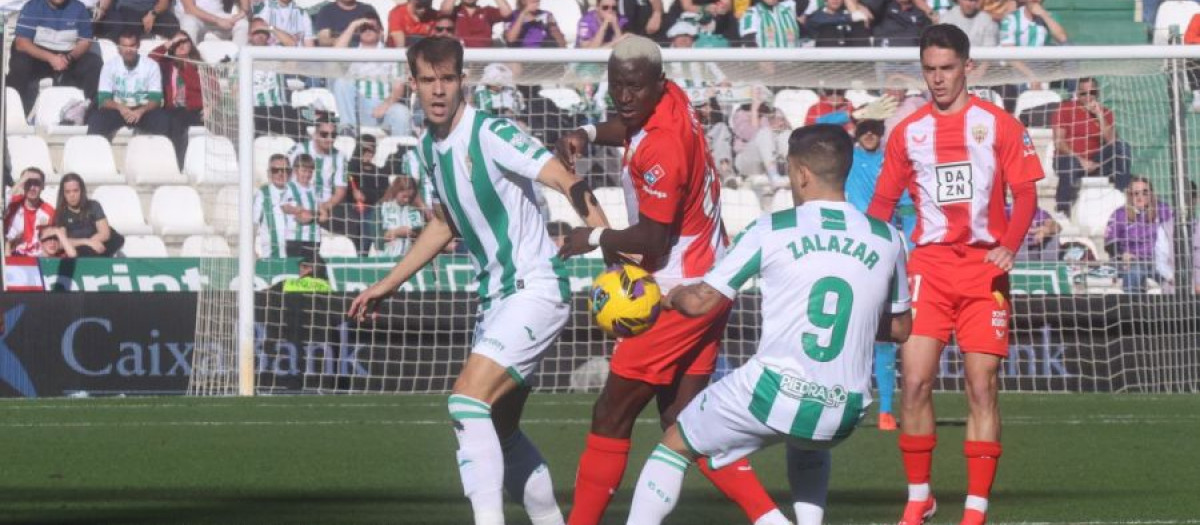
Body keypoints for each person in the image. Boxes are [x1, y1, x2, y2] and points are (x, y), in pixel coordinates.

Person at [347, 37, 611, 525]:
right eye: (428, 80)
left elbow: (568, 182)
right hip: (494, 300)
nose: (438, 90)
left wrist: (611, 250)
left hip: (535, 288)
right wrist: (389, 282)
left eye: (447, 78)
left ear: (461, 80)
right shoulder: (428, 145)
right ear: (414, 84)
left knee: (466, 401)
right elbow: (446, 221)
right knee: (499, 428)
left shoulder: (491, 132)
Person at [622, 124, 912, 525]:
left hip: (774, 393)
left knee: (674, 444)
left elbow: (703, 302)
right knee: (808, 442)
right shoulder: (888, 238)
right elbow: (899, 330)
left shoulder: (770, 229)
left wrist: (666, 295)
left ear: (801, 174)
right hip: (845, 408)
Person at [554, 36, 789, 525]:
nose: (624, 97)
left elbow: (655, 242)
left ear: (656, 84)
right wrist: (588, 131)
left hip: (678, 292)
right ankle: (770, 519)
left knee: (610, 415)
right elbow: (628, 124)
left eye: (634, 87)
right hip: (712, 282)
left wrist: (593, 237)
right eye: (616, 85)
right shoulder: (672, 99)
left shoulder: (661, 146)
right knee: (686, 424)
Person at [867, 24, 1044, 525]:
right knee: (916, 382)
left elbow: (1026, 193)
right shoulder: (909, 131)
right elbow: (882, 203)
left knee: (981, 386)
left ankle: (975, 508)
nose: (938, 79)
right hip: (929, 268)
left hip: (984, 271)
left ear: (968, 67)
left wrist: (1009, 246)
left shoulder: (999, 125)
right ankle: (918, 497)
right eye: (930, 70)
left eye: (947, 69)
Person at [844, 119, 913, 432]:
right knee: (850, 331)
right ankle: (845, 401)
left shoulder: (892, 161)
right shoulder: (848, 157)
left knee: (885, 332)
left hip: (882, 246)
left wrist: (909, 245)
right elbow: (817, 126)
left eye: (875, 130)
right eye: (864, 130)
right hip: (851, 247)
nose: (870, 135)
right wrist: (851, 115)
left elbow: (910, 208)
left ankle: (886, 408)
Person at [87, 31, 179, 167]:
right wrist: (120, 107)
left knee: (164, 121)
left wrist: (141, 111)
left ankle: (163, 164)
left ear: (138, 45)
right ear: (119, 48)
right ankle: (95, 163)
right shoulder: (109, 66)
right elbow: (103, 99)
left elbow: (155, 99)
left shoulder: (151, 66)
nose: (128, 50)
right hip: (118, 109)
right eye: (124, 46)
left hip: (143, 110)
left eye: (132, 45)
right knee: (96, 120)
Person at [6, 0, 103, 116]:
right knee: (20, 64)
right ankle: (12, 113)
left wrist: (69, 58)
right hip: (38, 58)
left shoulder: (79, 9)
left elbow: (85, 41)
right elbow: (21, 43)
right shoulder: (32, 7)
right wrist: (51, 58)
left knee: (94, 63)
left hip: (68, 58)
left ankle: (92, 113)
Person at [1051, 78, 1133, 213]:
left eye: (1092, 92)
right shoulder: (1065, 109)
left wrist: (1099, 116)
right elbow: (1059, 142)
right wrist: (1081, 160)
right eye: (1084, 93)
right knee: (1071, 163)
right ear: (1077, 94)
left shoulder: (1106, 112)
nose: (1088, 96)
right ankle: (1062, 210)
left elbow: (1113, 142)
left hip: (1096, 161)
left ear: (1098, 93)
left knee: (1122, 147)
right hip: (1069, 159)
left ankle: (1122, 200)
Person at [332, 16, 413, 137]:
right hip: (358, 108)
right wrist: (353, 25)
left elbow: (398, 87)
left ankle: (399, 153)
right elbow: (334, 55)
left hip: (384, 106)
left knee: (402, 113)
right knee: (342, 81)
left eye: (372, 27)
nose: (367, 30)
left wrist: (385, 105)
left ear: (381, 31)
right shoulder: (350, 54)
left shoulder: (391, 55)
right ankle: (348, 130)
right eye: (363, 28)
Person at [1104, 177, 1173, 294]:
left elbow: (1174, 233)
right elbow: (1110, 243)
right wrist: (1122, 255)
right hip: (1133, 261)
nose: (1140, 197)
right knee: (1134, 272)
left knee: (1178, 276)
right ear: (1130, 195)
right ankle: (1132, 308)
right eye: (1136, 193)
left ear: (1151, 194)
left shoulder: (1163, 209)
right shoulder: (1120, 214)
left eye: (1145, 192)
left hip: (1159, 261)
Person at [248, 18, 306, 141]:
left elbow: (292, 45)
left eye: (263, 32)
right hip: (255, 107)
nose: (260, 35)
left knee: (297, 120)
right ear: (249, 35)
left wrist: (270, 28)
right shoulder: (241, 55)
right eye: (256, 32)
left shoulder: (275, 51)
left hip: (279, 107)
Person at [287, 118, 348, 224]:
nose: (329, 139)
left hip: (326, 206)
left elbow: (340, 191)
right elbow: (286, 181)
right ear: (315, 134)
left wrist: (324, 207)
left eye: (333, 135)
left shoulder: (340, 156)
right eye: (324, 134)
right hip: (298, 202)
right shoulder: (298, 150)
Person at [55, 173, 125, 257]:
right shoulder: (61, 213)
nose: (72, 195)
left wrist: (92, 243)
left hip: (99, 246)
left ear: (82, 190)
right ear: (63, 194)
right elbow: (62, 242)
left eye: (75, 190)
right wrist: (87, 242)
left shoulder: (93, 206)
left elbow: (105, 233)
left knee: (115, 238)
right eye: (68, 192)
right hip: (80, 251)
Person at [345, 136, 390, 255]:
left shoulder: (380, 172)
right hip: (351, 208)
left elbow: (383, 194)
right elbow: (344, 189)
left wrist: (365, 196)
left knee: (369, 219)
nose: (367, 153)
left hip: (372, 208)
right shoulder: (351, 169)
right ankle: (359, 254)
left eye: (370, 150)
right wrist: (353, 192)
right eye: (363, 149)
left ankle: (364, 254)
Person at [4, 169, 56, 257]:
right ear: (23, 184)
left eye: (36, 184)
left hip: (36, 260)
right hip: (10, 257)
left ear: (43, 186)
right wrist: (20, 181)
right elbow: (2, 203)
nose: (32, 188)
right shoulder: (12, 203)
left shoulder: (49, 211)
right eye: (28, 183)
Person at [255, 154, 298, 258]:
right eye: (275, 170)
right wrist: (252, 250)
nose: (280, 173)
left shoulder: (297, 192)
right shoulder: (262, 194)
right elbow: (252, 225)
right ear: (269, 173)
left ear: (290, 173)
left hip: (297, 258)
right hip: (272, 259)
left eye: (284, 170)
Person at [374, 175, 425, 257]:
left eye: (410, 197)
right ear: (395, 191)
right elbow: (376, 237)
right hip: (384, 256)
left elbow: (421, 236)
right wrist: (397, 232)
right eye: (404, 196)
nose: (407, 200)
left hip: (409, 258)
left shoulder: (414, 210)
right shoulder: (381, 207)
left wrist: (413, 234)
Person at [286, 154, 325, 258]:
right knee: (294, 272)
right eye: (304, 171)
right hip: (294, 239)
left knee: (310, 272)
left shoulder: (316, 190)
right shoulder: (289, 188)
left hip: (314, 239)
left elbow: (324, 215)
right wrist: (315, 215)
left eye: (310, 172)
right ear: (295, 170)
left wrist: (312, 214)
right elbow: (301, 217)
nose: (307, 175)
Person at [94, 0, 181, 41]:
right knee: (130, 26)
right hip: (127, 8)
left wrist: (153, 14)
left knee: (171, 25)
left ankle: (171, 64)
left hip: (153, 10)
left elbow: (164, 3)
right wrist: (102, 9)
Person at [438, 0, 511, 47]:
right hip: (461, 57)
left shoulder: (487, 11)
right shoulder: (455, 11)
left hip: (483, 59)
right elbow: (445, 10)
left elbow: (507, 13)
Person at [175, 0, 249, 44]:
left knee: (242, 24)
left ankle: (237, 64)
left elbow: (245, 8)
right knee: (189, 22)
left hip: (218, 16)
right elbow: (189, 9)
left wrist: (242, 12)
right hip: (194, 17)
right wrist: (218, 20)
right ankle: (188, 65)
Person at [314, 0, 380, 46]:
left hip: (365, 54)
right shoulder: (326, 11)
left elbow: (380, 35)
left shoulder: (368, 9)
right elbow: (324, 41)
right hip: (337, 56)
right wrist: (346, 41)